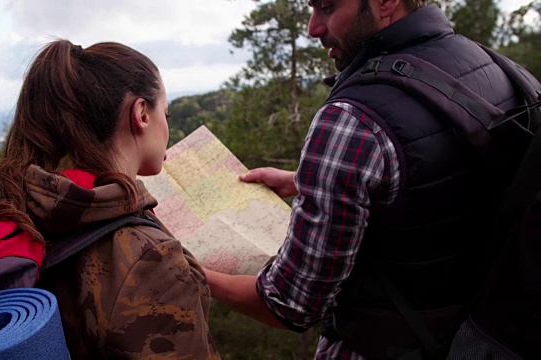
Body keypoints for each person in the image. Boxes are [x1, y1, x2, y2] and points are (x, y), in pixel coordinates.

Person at [205, 0, 539, 359]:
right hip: (479, 335)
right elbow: (448, 185)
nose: (313, 28)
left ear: (385, 3)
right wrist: (307, 181)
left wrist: (189, 270)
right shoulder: (498, 70)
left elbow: (289, 304)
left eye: (328, 8)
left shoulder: (351, 119)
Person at [0, 40, 219, 359]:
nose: (167, 125)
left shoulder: (9, 208)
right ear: (141, 114)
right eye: (165, 113)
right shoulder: (150, 260)